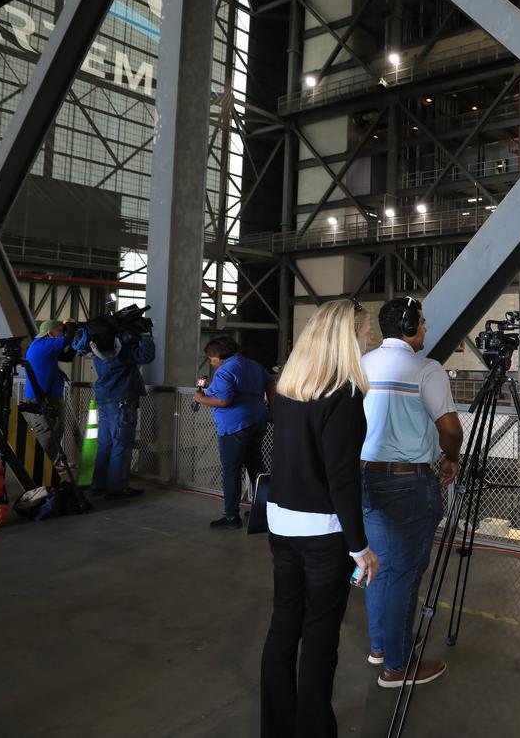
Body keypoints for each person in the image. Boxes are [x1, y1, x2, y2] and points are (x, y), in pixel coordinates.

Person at [261, 300, 379, 738]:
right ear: (345, 338)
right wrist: (360, 547)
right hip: (323, 531)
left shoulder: (292, 387)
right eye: (365, 332)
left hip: (280, 521)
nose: (370, 339)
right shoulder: (344, 395)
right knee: (320, 634)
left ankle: (275, 725)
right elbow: (342, 478)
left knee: (283, 624)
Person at [360, 296, 463, 688]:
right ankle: (398, 667)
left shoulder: (363, 364)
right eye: (421, 322)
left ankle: (381, 646)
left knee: (376, 565)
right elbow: (450, 429)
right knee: (405, 572)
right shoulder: (427, 369)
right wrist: (451, 458)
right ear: (407, 326)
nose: (425, 329)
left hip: (365, 479)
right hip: (409, 483)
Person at [193, 336, 276, 529]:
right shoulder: (253, 365)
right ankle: (263, 509)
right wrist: (272, 411)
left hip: (234, 425)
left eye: (212, 360)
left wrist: (200, 398)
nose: (212, 364)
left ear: (219, 357)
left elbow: (223, 401)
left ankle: (231, 517)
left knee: (231, 470)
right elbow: (271, 384)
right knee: (255, 465)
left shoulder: (224, 371)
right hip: (258, 421)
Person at [90, 326, 155, 499]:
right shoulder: (121, 353)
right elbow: (146, 356)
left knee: (106, 444)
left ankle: (99, 483)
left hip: (105, 400)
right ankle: (116, 488)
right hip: (121, 401)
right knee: (121, 444)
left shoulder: (97, 352)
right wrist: (145, 335)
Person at [22, 318, 74, 467]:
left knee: (55, 432)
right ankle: (37, 472)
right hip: (40, 399)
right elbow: (69, 339)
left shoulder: (47, 348)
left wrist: (75, 343)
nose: (62, 334)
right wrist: (69, 324)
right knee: (46, 435)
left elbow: (68, 356)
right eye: (60, 331)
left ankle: (46, 469)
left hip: (50, 398)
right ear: (50, 334)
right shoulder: (42, 345)